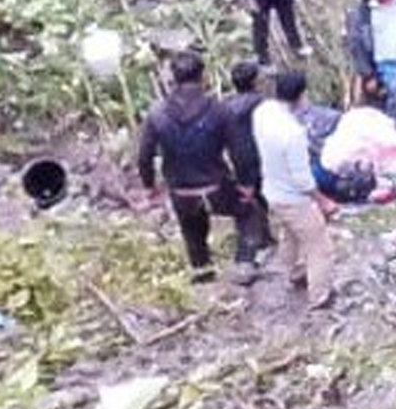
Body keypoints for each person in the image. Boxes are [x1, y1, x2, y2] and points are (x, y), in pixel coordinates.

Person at [137, 51, 269, 284]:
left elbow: (144, 156)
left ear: (172, 78)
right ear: (203, 76)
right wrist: (247, 183)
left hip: (181, 191)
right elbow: (240, 152)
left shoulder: (157, 114)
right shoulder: (219, 110)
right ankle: (244, 263)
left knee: (193, 233)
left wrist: (149, 187)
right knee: (250, 212)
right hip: (216, 185)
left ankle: (203, 275)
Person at [253, 70, 336, 311]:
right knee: (320, 247)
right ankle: (320, 297)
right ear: (301, 95)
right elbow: (302, 179)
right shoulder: (293, 133)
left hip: (272, 190)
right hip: (293, 198)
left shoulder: (263, 112)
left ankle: (295, 272)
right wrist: (323, 201)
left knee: (290, 234)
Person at [220, 60, 273, 261]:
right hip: (258, 153)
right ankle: (261, 240)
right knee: (261, 196)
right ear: (255, 81)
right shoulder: (262, 102)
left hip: (236, 156)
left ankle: (260, 237)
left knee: (250, 196)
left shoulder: (226, 105)